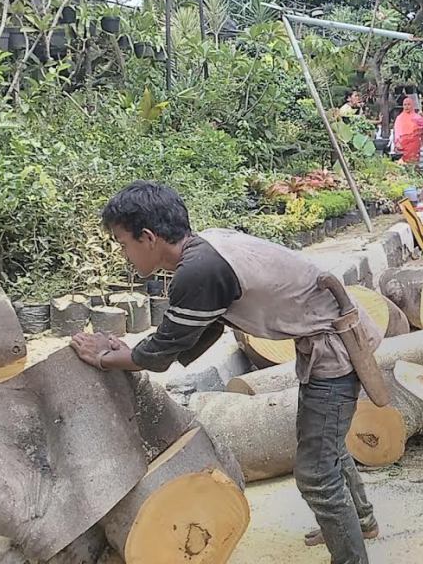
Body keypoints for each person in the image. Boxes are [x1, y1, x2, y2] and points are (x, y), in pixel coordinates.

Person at [68, 182, 382, 564]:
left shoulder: (199, 270)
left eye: (123, 244)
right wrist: (133, 353)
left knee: (316, 473)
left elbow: (162, 351)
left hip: (334, 353)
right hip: (328, 342)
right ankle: (359, 521)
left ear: (148, 237)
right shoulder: (206, 250)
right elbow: (200, 329)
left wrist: (107, 358)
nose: (123, 254)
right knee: (323, 445)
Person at [393, 96, 423, 163]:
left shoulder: (417, 117)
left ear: (412, 105)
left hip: (414, 144)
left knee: (413, 162)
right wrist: (397, 143)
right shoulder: (399, 118)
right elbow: (396, 132)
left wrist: (420, 137)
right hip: (402, 145)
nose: (407, 107)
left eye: (409, 104)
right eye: (405, 105)